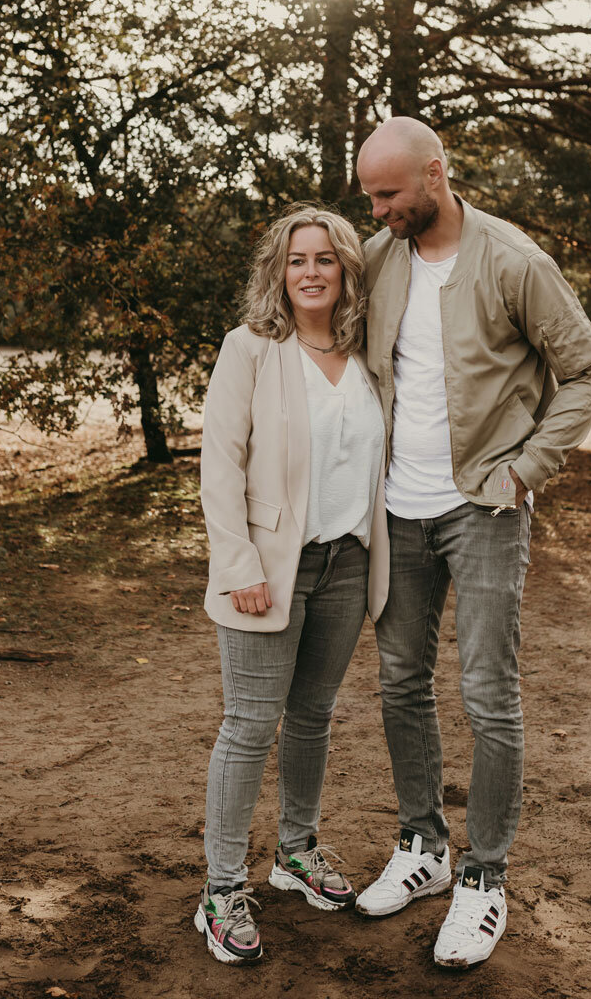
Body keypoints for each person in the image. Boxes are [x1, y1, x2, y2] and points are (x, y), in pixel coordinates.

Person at [353, 117, 591, 968]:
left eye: (390, 194)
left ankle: (485, 878)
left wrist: (531, 466)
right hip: (396, 510)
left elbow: (587, 369)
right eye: (371, 197)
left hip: (486, 508)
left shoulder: (513, 261)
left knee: (488, 692)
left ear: (435, 173)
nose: (379, 210)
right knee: (399, 681)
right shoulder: (379, 256)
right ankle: (424, 849)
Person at [195, 206, 390, 965]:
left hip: (348, 561)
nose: (311, 271)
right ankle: (220, 889)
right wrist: (239, 565)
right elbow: (221, 463)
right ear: (279, 273)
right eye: (297, 259)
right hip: (270, 570)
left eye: (326, 259)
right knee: (249, 724)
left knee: (312, 716)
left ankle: (297, 853)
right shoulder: (250, 350)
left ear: (346, 271)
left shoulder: (368, 354)